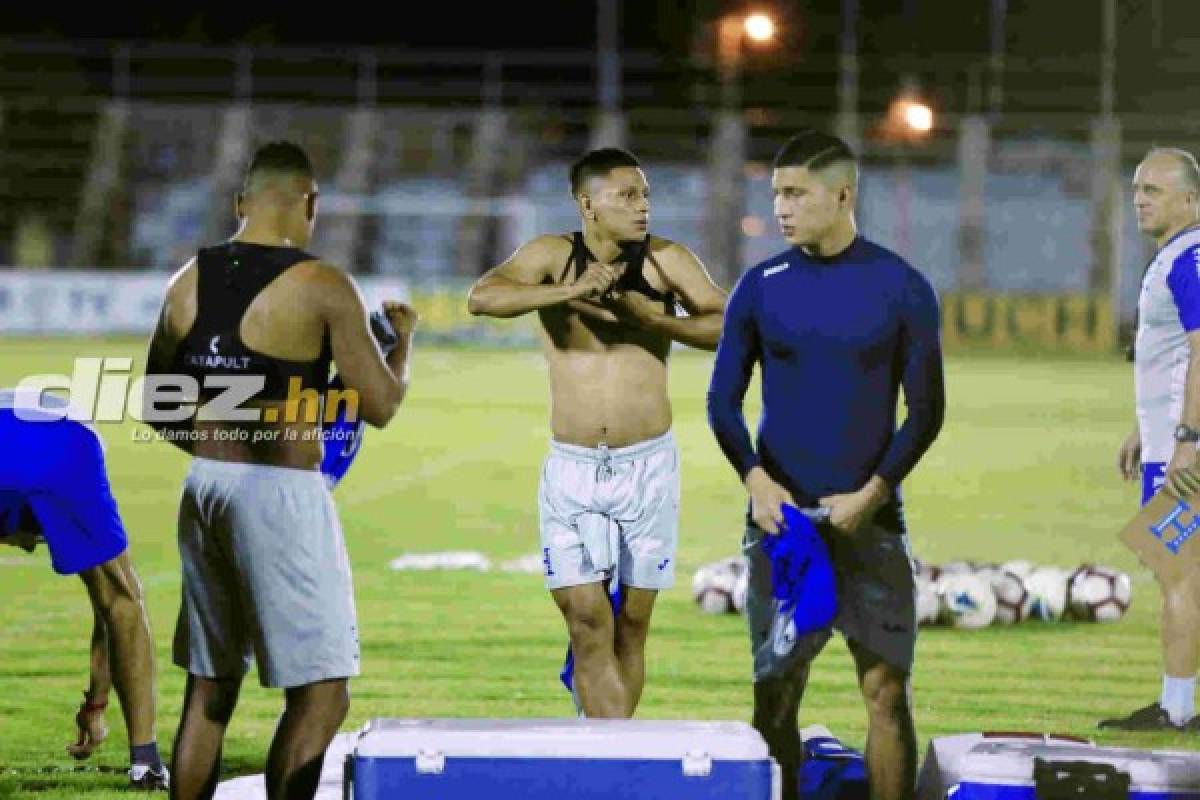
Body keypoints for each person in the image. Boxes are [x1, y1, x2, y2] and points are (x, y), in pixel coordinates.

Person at [142, 141, 417, 800]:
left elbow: (157, 404)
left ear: (241, 203)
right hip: (280, 493)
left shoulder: (187, 280)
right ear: (311, 203)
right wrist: (401, 349)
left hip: (205, 485)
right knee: (323, 695)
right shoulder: (322, 284)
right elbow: (377, 406)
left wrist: (222, 447)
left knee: (210, 688)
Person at [706, 130, 944, 800]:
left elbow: (925, 413)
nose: (780, 207)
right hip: (782, 526)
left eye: (795, 193)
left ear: (842, 195)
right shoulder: (759, 288)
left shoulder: (901, 287)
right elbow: (722, 401)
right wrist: (755, 479)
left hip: (873, 524)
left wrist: (871, 495)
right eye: (776, 192)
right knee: (775, 696)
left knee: (886, 690)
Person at [466, 147, 726, 718]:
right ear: (587, 203)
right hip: (573, 469)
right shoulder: (552, 257)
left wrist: (653, 318)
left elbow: (728, 324)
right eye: (627, 196)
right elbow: (483, 297)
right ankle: (605, 754)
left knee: (630, 626)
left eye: (646, 195)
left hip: (648, 467)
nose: (642, 207)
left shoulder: (665, 261)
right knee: (587, 621)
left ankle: (607, 751)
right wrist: (569, 292)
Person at [0, 388, 168, 789]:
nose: (26, 548)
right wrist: (95, 707)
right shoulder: (84, 443)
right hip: (64, 447)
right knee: (122, 597)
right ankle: (145, 762)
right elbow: (111, 613)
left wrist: (96, 702)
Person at [1104, 147, 1200, 732]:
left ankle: (1178, 709)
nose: (1139, 198)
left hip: (1184, 451)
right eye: (1138, 188)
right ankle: (1176, 702)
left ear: (1189, 199)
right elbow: (1171, 359)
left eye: (1155, 190)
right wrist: (1146, 426)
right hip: (1169, 439)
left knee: (1178, 573)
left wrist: (1187, 438)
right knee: (1179, 570)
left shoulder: (1189, 258)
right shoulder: (1176, 256)